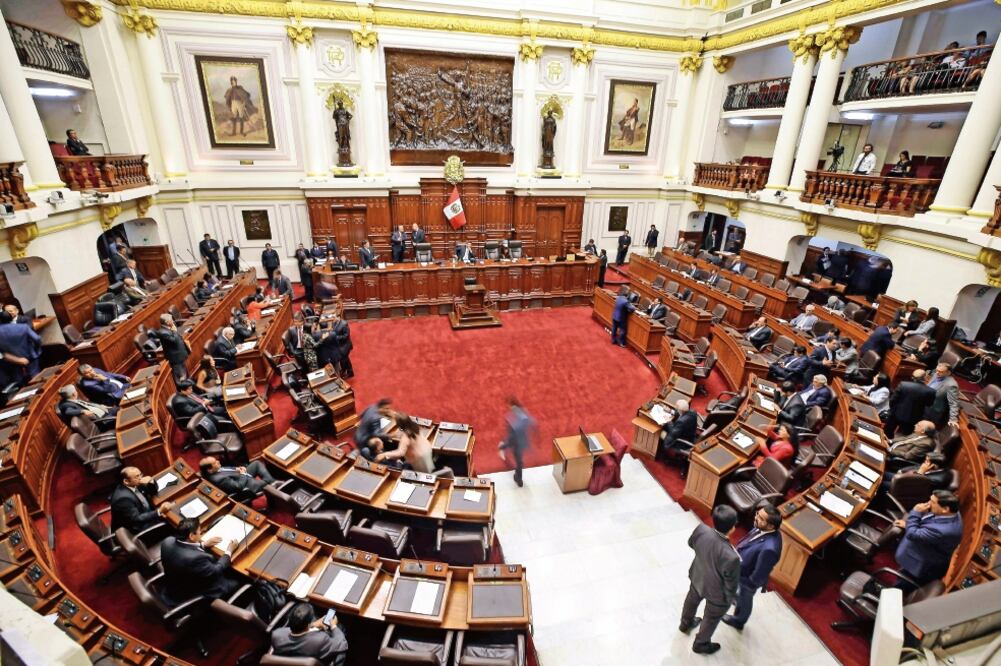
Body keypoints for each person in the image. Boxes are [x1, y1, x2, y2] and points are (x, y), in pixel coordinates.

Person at [679, 505, 740, 655]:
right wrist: (730, 598)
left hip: (697, 576)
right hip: (716, 593)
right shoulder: (731, 557)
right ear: (732, 528)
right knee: (711, 618)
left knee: (691, 599)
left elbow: (691, 543)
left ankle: (685, 623)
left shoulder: (701, 530)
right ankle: (701, 643)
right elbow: (730, 584)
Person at [722, 502, 783, 631]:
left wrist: (749, 585)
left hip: (746, 579)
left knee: (745, 598)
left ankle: (739, 621)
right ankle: (736, 598)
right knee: (737, 593)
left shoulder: (770, 549)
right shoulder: (762, 527)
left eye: (761, 518)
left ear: (771, 525)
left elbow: (760, 572)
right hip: (740, 567)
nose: (756, 518)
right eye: (757, 514)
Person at [159, 517, 241, 607]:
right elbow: (216, 571)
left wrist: (203, 545)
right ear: (191, 536)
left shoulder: (167, 541)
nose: (201, 533)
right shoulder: (196, 559)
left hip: (175, 584)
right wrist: (228, 552)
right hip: (192, 593)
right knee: (241, 578)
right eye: (199, 531)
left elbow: (184, 550)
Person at [892, 491, 962, 590]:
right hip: (926, 547)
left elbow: (912, 534)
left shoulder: (943, 531)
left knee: (901, 584)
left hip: (920, 562)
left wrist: (916, 512)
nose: (928, 503)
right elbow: (928, 525)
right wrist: (908, 525)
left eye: (932, 502)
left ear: (945, 509)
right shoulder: (953, 512)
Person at [271, 602, 348, 665]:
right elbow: (342, 644)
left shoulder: (277, 634)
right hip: (314, 656)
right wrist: (334, 626)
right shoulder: (320, 640)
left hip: (288, 660)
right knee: (341, 628)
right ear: (307, 624)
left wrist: (313, 625)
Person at [110, 466, 174, 533]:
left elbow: (153, 492)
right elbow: (137, 519)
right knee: (173, 523)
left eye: (140, 474)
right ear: (126, 481)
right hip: (137, 530)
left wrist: (151, 481)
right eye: (137, 476)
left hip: (145, 514)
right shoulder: (123, 499)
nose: (140, 478)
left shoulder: (134, 484)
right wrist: (159, 511)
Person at [885, 369, 936, 436]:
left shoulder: (903, 385)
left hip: (896, 414)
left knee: (887, 433)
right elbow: (928, 405)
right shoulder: (931, 391)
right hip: (913, 419)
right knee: (903, 437)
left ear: (912, 377)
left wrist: (893, 410)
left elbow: (892, 400)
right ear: (925, 377)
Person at [498, 397, 534, 487]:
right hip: (521, 443)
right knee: (519, 462)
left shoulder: (514, 421)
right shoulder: (523, 413)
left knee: (519, 461)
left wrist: (503, 446)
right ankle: (519, 478)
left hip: (517, 443)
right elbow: (531, 422)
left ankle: (518, 478)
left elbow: (512, 438)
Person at [200, 456, 276, 496]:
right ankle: (277, 487)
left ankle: (274, 485)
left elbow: (225, 470)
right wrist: (243, 474)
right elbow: (239, 486)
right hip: (247, 486)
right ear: (209, 469)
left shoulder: (214, 470)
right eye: (215, 463)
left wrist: (237, 468)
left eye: (216, 460)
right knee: (268, 480)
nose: (218, 461)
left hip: (240, 475)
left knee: (256, 463)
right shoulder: (219, 479)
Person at [0, 311, 41, 383]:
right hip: (30, 356)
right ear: (11, 318)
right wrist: (36, 351)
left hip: (12, 361)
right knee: (36, 378)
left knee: (20, 382)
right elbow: (37, 339)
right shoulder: (23, 327)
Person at [154, 313, 189, 382]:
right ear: (167, 322)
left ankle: (189, 388)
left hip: (180, 356)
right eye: (171, 320)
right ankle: (185, 390)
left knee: (186, 374)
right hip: (176, 359)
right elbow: (174, 341)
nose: (173, 321)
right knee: (182, 377)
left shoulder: (170, 327)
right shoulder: (162, 332)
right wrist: (174, 331)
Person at [925, 362, 959, 427]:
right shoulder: (936, 374)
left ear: (948, 373)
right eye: (937, 370)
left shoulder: (951, 385)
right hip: (925, 404)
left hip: (933, 411)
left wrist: (953, 419)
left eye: (941, 371)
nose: (937, 373)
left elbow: (954, 403)